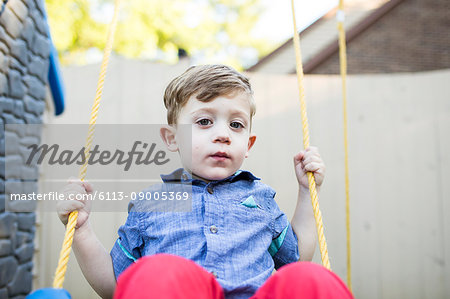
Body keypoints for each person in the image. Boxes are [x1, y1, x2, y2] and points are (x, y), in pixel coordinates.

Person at [57, 65, 353, 299]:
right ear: (173, 138)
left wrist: (306, 191)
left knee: (311, 277)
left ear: (248, 144)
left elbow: (297, 258)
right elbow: (116, 285)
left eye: (235, 125)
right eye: (204, 122)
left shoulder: (260, 198)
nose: (223, 134)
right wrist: (81, 232)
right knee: (156, 272)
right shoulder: (152, 204)